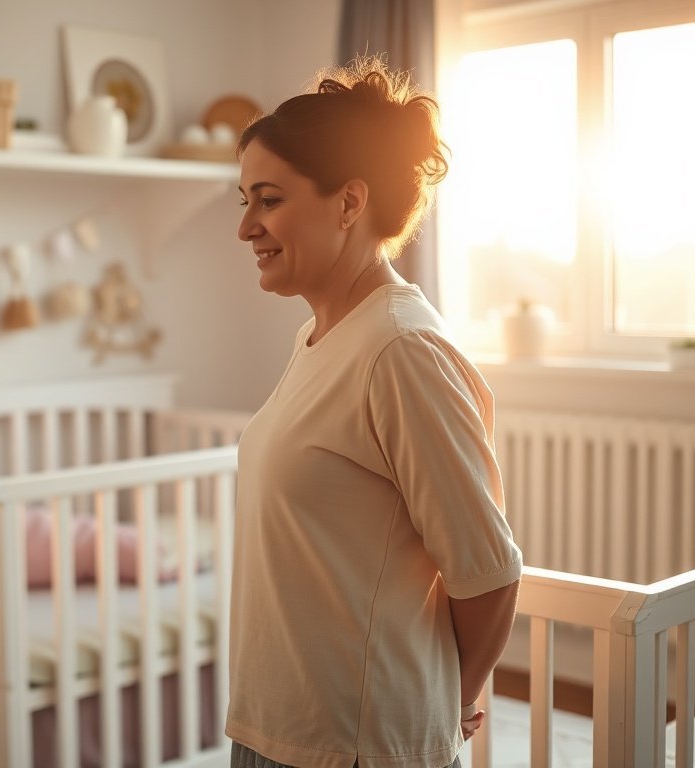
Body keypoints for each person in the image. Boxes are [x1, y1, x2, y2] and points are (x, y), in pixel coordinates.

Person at [227, 55, 523, 768]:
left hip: (355, 747)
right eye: (245, 200)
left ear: (349, 203)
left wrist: (450, 705)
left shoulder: (400, 350)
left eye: (268, 199)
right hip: (277, 730)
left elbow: (487, 572)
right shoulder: (322, 335)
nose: (247, 228)